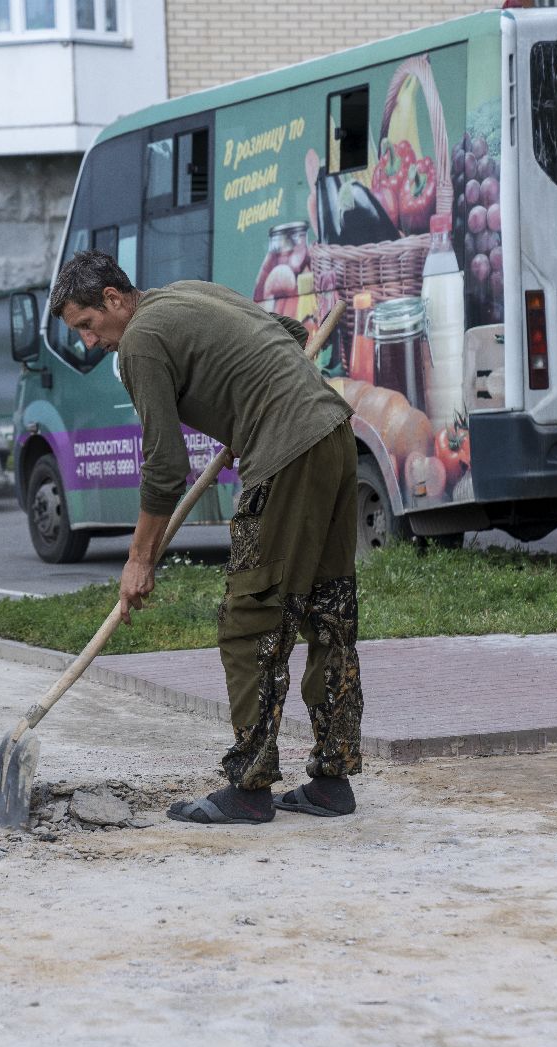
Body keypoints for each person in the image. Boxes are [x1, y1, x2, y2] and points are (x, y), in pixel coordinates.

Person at [53, 250, 364, 825]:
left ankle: (249, 789)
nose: (91, 343)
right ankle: (331, 781)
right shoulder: (187, 291)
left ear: (114, 299)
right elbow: (290, 333)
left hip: (288, 455)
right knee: (328, 613)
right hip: (335, 436)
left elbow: (165, 466)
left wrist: (140, 560)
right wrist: (250, 386)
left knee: (251, 619)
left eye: (88, 326)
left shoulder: (142, 341)